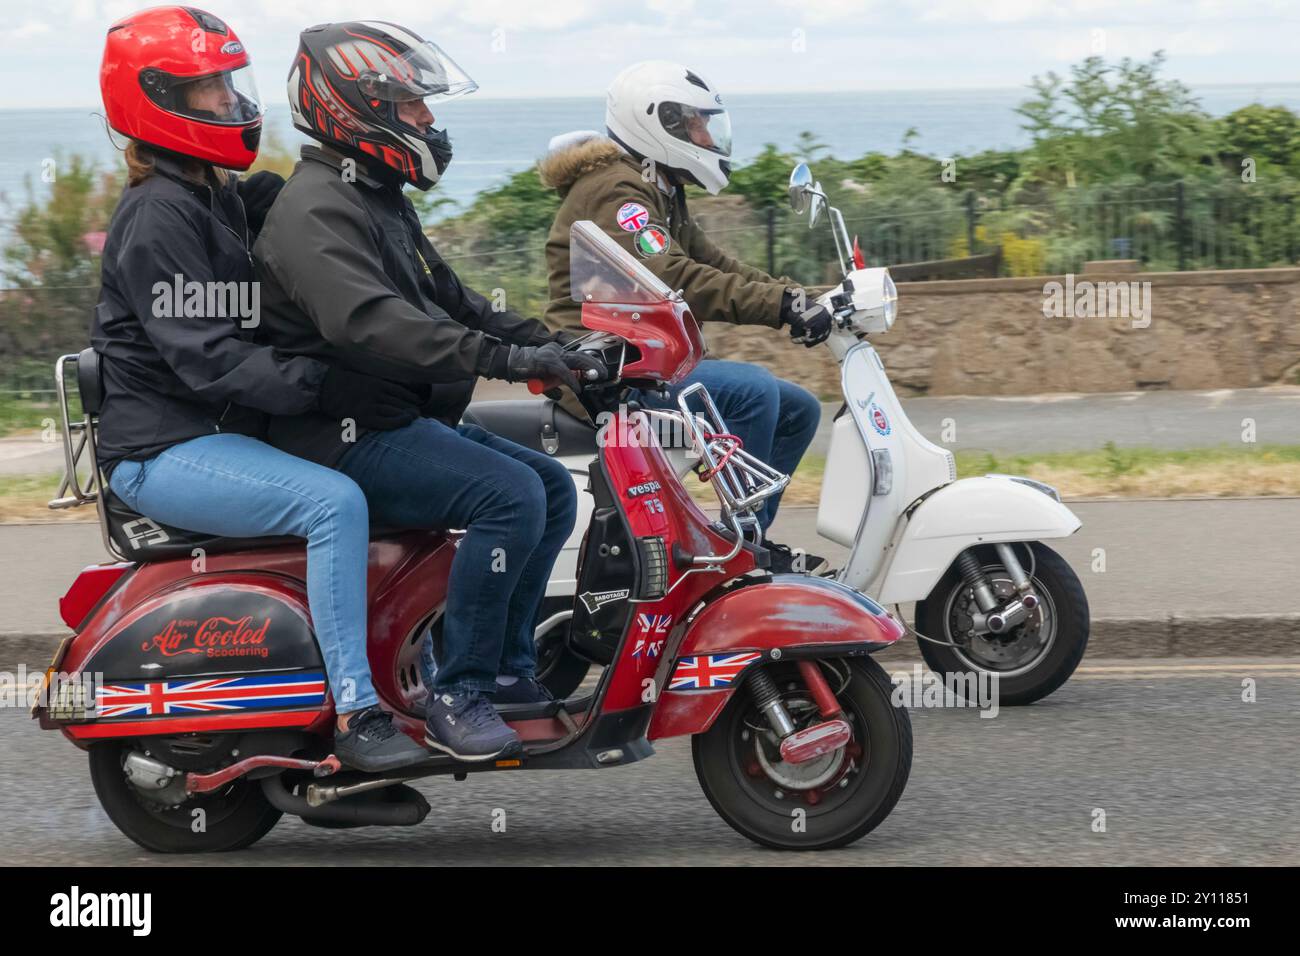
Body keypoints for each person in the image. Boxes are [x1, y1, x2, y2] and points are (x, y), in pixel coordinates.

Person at [253, 21, 605, 762]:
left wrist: (557, 343)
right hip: (342, 437)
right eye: (413, 105)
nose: (429, 121)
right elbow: (374, 325)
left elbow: (453, 299)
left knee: (549, 487)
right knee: (507, 496)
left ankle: (507, 669)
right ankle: (458, 688)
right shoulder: (316, 208)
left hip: (396, 418)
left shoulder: (374, 195)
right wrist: (507, 360)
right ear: (355, 105)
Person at [91, 6, 428, 772]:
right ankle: (357, 714)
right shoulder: (157, 218)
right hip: (164, 449)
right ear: (159, 102)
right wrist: (330, 388)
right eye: (210, 89)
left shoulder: (209, 192)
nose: (232, 101)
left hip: (215, 433)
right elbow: (210, 360)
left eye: (229, 82)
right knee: (331, 502)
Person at [539, 61, 830, 572]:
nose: (705, 134)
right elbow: (677, 276)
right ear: (660, 123)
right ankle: (735, 549)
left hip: (640, 359)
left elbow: (712, 263)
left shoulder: (658, 185)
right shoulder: (617, 190)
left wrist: (797, 297)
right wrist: (781, 308)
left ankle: (745, 535)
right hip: (600, 368)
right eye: (694, 122)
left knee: (797, 408)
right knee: (752, 391)